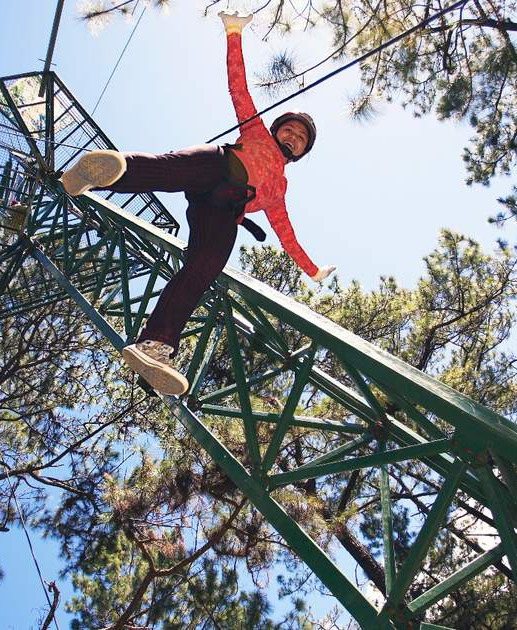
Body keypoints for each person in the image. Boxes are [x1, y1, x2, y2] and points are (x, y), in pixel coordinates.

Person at [60, 11, 336, 396]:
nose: (292, 136)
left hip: (222, 210)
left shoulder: (279, 189)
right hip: (216, 164)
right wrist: (234, 31)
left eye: (300, 138)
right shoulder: (255, 132)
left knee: (205, 266)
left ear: (302, 151)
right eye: (289, 129)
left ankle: (154, 346)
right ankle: (105, 171)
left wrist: (312, 271)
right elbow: (238, 87)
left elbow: (286, 234)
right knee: (167, 171)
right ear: (276, 129)